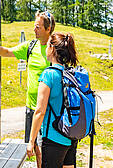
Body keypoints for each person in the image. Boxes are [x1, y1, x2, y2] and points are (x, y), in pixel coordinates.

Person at [0, 11, 55, 168]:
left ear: (48, 29)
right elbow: (7, 51)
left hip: (49, 109)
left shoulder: (55, 49)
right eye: (34, 26)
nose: (34, 30)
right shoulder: (30, 46)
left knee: (48, 149)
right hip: (31, 107)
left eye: (38, 27)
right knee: (35, 147)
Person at [26, 32, 79, 168]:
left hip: (53, 137)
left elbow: (39, 111)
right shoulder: (70, 73)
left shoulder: (49, 74)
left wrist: (31, 141)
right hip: (70, 135)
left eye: (48, 44)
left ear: (52, 48)